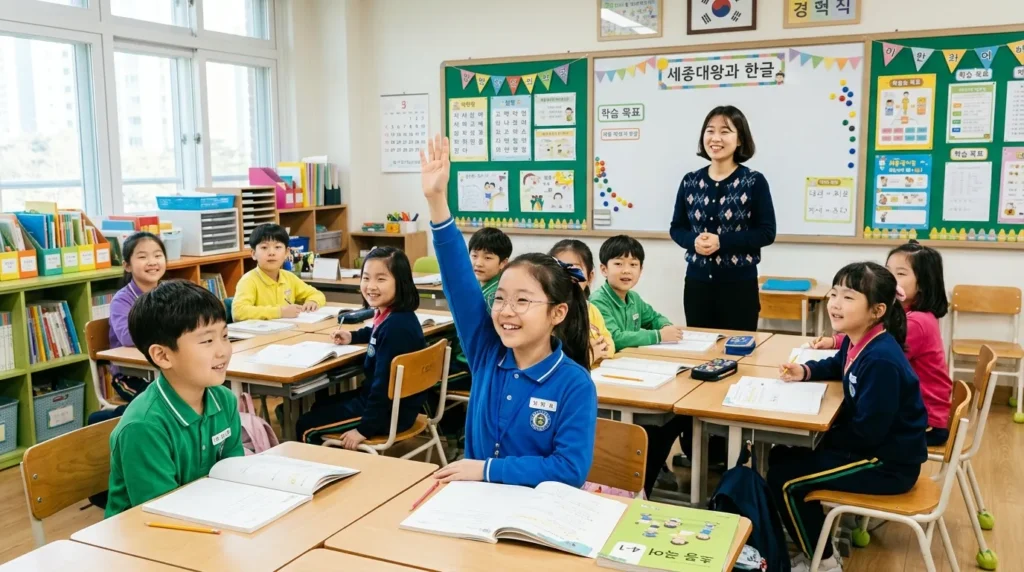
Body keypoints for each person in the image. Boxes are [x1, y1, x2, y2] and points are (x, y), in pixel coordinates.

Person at [420, 133, 597, 487]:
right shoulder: (488, 352)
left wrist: (486, 470)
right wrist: (437, 200)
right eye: (500, 298)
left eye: (523, 300)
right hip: (476, 510)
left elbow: (569, 470)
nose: (505, 311)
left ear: (557, 313)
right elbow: (459, 281)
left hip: (535, 516)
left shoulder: (574, 383)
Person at [771, 262, 927, 572]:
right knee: (780, 455)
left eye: (849, 297)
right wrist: (806, 371)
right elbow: (837, 363)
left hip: (887, 464)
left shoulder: (881, 359)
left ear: (877, 310)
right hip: (872, 448)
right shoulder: (861, 341)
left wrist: (819, 436)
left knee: (785, 480)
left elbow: (869, 433)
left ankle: (825, 562)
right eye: (834, 294)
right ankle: (811, 545)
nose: (835, 304)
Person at [105, 280, 243, 517]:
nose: (223, 350)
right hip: (144, 540)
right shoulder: (144, 427)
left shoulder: (224, 400)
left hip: (209, 520)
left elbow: (235, 475)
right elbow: (163, 513)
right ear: (162, 356)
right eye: (207, 341)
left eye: (225, 336)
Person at [812, 240, 953, 445]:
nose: (891, 280)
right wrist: (837, 341)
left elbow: (870, 352)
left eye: (901, 273)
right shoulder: (904, 315)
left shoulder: (917, 323)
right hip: (905, 411)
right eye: (888, 271)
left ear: (923, 283)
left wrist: (838, 341)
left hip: (926, 420)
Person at [295, 247, 427, 447]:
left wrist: (363, 429)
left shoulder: (395, 328)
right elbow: (375, 332)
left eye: (381, 279)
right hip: (397, 406)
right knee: (320, 405)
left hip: (387, 415)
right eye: (366, 278)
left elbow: (382, 388)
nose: (371, 286)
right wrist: (353, 336)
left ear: (400, 282)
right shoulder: (394, 315)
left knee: (305, 425)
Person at [670, 105, 776, 332]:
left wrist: (722, 242)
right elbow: (677, 228)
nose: (715, 138)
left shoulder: (754, 181)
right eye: (710, 130)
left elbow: (766, 232)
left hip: (739, 286)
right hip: (697, 285)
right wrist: (693, 242)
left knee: (738, 353)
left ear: (739, 140)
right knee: (700, 350)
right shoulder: (690, 181)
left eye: (725, 131)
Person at [90, 232, 167, 424]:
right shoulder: (122, 300)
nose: (152, 262)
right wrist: (167, 329)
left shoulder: (169, 292)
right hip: (130, 375)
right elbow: (127, 336)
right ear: (127, 265)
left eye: (158, 255)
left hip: (165, 366)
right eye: (142, 257)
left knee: (193, 389)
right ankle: (111, 418)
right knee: (164, 399)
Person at [590, 235, 682, 350]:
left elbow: (653, 318)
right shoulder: (598, 301)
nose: (626, 270)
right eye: (618, 264)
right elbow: (614, 338)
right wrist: (658, 336)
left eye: (633, 265)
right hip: (607, 362)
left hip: (630, 358)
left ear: (640, 270)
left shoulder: (634, 298)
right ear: (604, 270)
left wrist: (665, 326)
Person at [232, 223, 326, 321]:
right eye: (264, 247)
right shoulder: (249, 280)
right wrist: (280, 312)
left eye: (277, 247)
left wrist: (313, 301)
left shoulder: (289, 277)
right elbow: (238, 312)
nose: (271, 253)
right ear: (253, 254)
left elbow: (317, 294)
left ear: (286, 252)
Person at [549, 239, 614, 365]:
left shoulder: (591, 309)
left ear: (590, 277)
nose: (567, 277)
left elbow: (609, 343)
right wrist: (589, 354)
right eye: (559, 270)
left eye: (574, 269)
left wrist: (602, 349)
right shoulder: (546, 311)